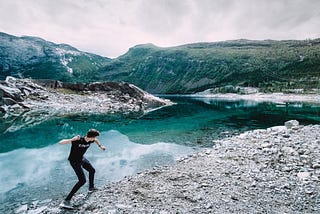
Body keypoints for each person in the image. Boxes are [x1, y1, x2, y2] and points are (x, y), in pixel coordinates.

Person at [58, 129, 106, 209]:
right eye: (94, 137)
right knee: (82, 181)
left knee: (92, 170)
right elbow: (60, 142)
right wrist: (71, 139)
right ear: (91, 137)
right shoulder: (78, 140)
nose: (94, 139)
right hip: (74, 161)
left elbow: (96, 140)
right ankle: (66, 201)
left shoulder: (90, 140)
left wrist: (100, 146)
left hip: (81, 159)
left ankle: (91, 187)